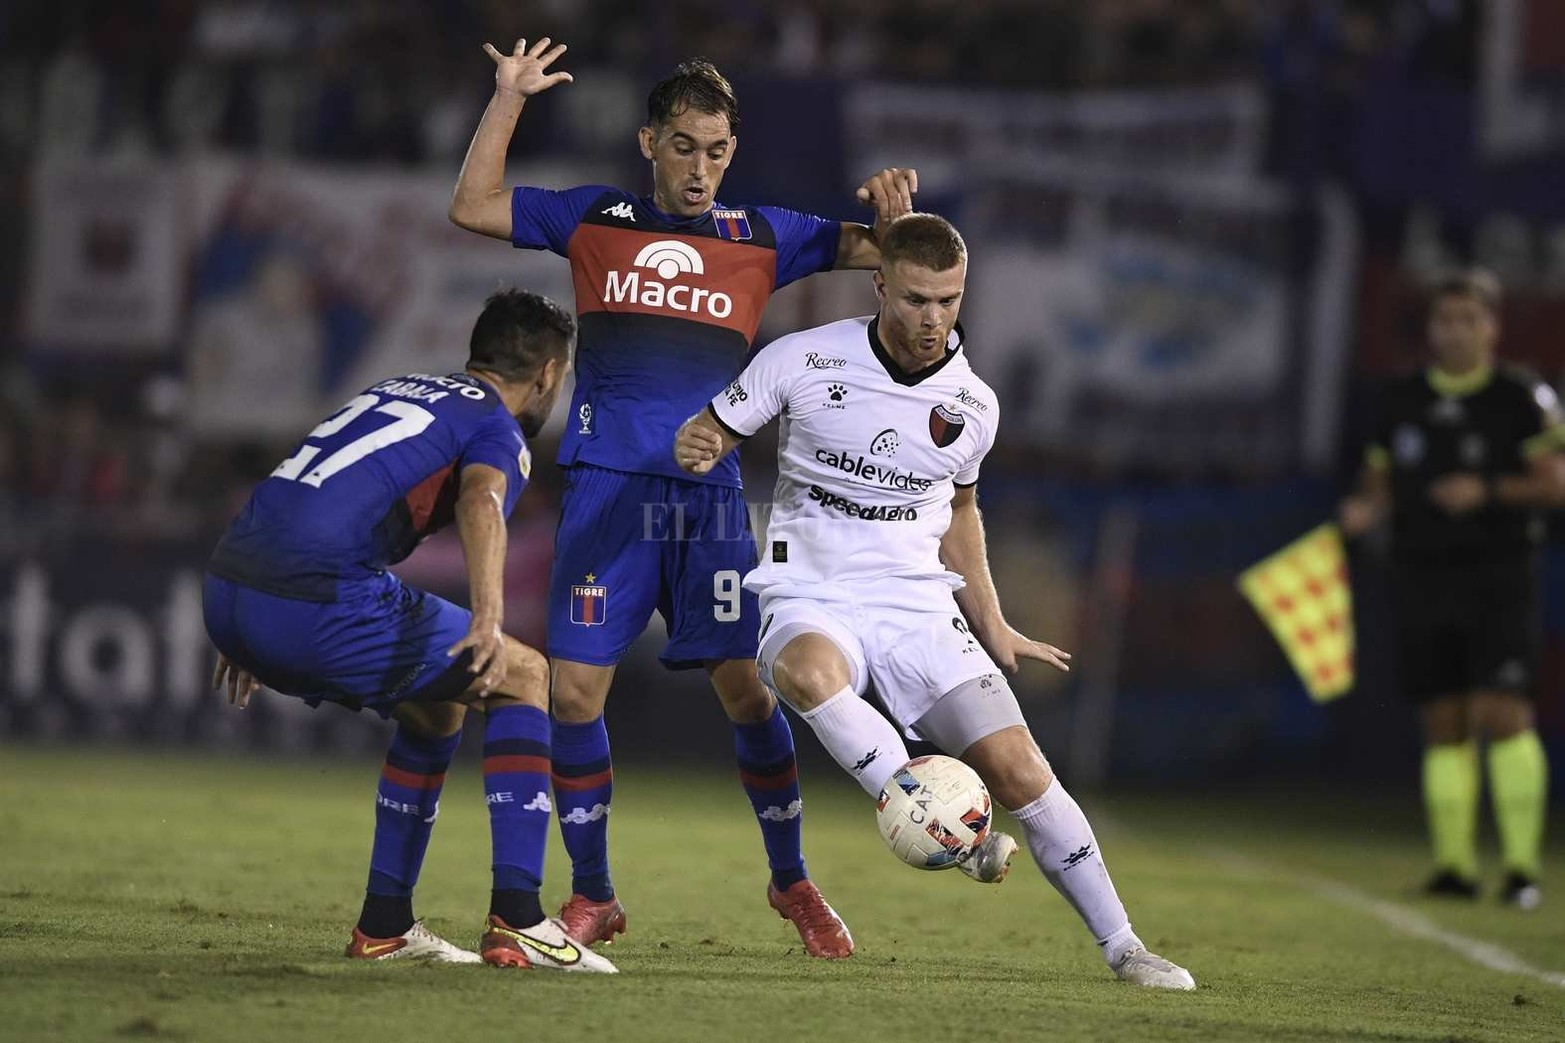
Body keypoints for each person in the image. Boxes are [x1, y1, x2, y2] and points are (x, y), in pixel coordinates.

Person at [448, 35, 918, 957]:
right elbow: (470, 204)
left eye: (716, 151)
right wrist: (508, 97)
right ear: (648, 143)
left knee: (748, 692)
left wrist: (899, 218)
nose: (700, 168)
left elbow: (889, 259)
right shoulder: (595, 218)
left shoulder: (763, 235)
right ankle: (593, 894)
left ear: (731, 153)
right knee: (574, 696)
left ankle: (790, 880)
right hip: (606, 495)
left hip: (706, 503)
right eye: (683, 147)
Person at [673, 213, 1196, 989]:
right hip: (808, 591)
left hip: (916, 606)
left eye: (948, 301)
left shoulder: (972, 404)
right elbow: (710, 429)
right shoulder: (802, 357)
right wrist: (700, 443)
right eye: (916, 298)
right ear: (879, 286)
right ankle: (948, 824)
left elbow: (959, 513)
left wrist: (993, 621)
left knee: (1021, 772)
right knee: (807, 674)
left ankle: (1124, 947)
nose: (932, 318)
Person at [203, 289, 616, 972]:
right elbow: (482, 499)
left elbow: (302, 484)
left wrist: (247, 614)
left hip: (229, 587)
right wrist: (489, 617)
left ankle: (385, 926)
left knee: (438, 701)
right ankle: (519, 919)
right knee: (522, 673)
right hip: (311, 599)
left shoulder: (395, 389)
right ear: (548, 373)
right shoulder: (495, 427)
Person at [1341, 269, 1562, 909]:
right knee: (1442, 720)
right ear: (1431, 328)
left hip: (1500, 575)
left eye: (1470, 319)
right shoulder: (1401, 400)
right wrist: (1364, 510)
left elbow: (1555, 485)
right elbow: (1378, 486)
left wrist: (1486, 490)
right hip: (1422, 574)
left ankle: (1520, 870)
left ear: (1493, 328)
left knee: (1503, 713)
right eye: (1446, 319)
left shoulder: (1520, 396)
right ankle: (1454, 867)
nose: (1457, 331)